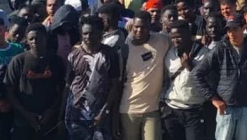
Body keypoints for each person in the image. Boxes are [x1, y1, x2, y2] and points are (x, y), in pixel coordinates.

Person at [192, 14, 247, 140]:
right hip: (226, 108)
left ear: (243, 28)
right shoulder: (220, 48)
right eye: (229, 30)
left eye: (235, 29)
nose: (231, 34)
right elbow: (196, 74)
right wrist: (214, 99)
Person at [65, 15, 121, 140]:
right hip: (76, 115)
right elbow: (68, 85)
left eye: (92, 33)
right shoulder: (74, 55)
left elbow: (115, 86)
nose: (88, 37)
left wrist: (104, 111)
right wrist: (62, 114)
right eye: (85, 33)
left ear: (101, 33)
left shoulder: (110, 55)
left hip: (100, 116)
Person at [5, 23, 66, 139]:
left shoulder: (56, 60)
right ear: (27, 40)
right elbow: (10, 92)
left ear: (46, 38)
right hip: (23, 122)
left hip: (49, 120)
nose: (35, 41)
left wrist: (51, 111)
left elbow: (62, 90)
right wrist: (26, 114)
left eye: (38, 38)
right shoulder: (18, 61)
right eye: (31, 39)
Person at [120, 11, 171, 140]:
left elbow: (179, 41)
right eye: (136, 27)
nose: (139, 30)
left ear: (150, 27)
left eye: (143, 27)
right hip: (129, 108)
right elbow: (119, 81)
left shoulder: (162, 40)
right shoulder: (125, 49)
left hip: (152, 108)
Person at [162, 20, 212, 140]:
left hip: (194, 110)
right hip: (172, 109)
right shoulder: (170, 54)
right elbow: (166, 79)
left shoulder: (205, 54)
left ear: (188, 35)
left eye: (178, 37)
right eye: (173, 37)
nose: (175, 40)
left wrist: (190, 67)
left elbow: (210, 81)